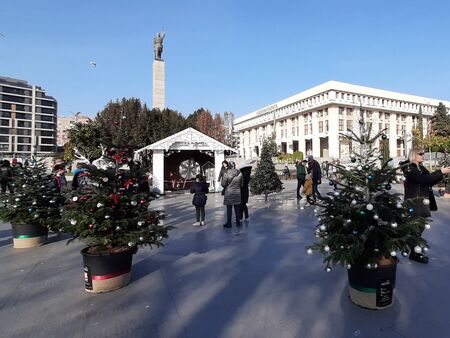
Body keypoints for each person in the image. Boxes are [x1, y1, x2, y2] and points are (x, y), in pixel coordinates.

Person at [401, 149, 450, 263]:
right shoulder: (410, 168)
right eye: (420, 154)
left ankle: (415, 251)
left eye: (423, 154)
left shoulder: (420, 168)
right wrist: (440, 172)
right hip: (415, 201)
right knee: (416, 228)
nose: (423, 156)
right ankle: (415, 253)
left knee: (418, 227)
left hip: (422, 201)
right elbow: (423, 179)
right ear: (414, 155)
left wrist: (441, 174)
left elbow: (428, 181)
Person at [221, 161, 243, 228]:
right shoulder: (240, 173)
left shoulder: (226, 173)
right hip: (237, 192)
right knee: (237, 208)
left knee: (229, 209)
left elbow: (223, 184)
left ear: (229, 166)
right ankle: (238, 222)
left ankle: (229, 223)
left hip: (229, 193)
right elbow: (242, 184)